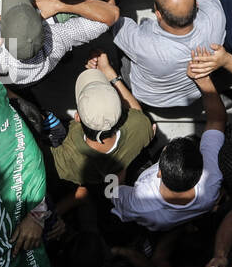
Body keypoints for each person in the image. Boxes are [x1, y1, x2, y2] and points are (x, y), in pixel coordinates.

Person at [111, 65, 227, 230]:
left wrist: (119, 159)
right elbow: (217, 121)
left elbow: (112, 193)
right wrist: (203, 80)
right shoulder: (211, 184)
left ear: (159, 172)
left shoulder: (140, 201)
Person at [113, 0, 226, 108]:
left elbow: (112, 18)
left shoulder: (144, 44)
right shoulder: (214, 15)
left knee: (118, 43)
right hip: (194, 93)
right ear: (197, 5)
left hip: (148, 95)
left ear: (158, 14)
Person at [49, 53, 156, 208]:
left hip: (97, 184)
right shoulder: (140, 127)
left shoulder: (65, 161)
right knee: (111, 197)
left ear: (78, 117)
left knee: (107, 198)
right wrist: (110, 73)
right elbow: (137, 114)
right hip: (116, 183)